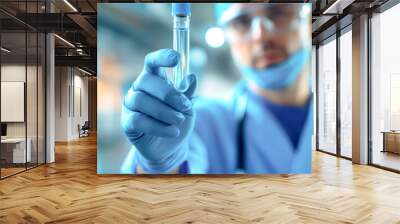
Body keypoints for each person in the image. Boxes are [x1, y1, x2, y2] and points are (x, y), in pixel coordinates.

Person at [120, 3, 313, 174]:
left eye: (278, 13)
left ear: (306, 16)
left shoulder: (335, 105)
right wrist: (159, 165)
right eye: (242, 22)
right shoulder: (202, 121)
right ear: (227, 35)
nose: (261, 35)